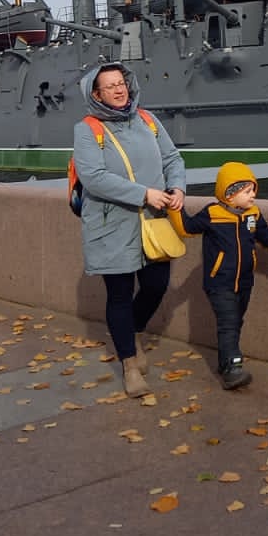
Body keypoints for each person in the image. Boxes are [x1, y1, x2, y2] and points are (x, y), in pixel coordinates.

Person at [72, 62, 187, 397]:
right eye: (109, 86)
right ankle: (129, 365)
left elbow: (172, 159)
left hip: (153, 219)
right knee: (119, 295)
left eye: (121, 83)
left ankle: (133, 331)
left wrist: (177, 187)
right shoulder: (87, 130)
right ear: (96, 94)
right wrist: (144, 194)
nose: (119, 90)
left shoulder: (147, 120)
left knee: (156, 285)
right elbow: (93, 177)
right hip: (112, 225)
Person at [172, 161, 268, 389]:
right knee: (228, 322)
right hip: (219, 282)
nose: (253, 196)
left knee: (236, 320)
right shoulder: (212, 213)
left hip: (245, 280)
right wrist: (174, 207)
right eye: (247, 191)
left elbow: (263, 233)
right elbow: (186, 228)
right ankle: (233, 368)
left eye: (253, 190)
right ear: (230, 194)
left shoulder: (253, 214)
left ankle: (225, 362)